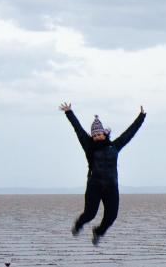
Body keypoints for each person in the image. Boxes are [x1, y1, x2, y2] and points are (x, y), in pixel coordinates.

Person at [59, 102, 146, 244]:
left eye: (100, 133)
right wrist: (69, 112)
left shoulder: (114, 146)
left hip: (111, 187)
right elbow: (78, 130)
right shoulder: (89, 147)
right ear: (92, 136)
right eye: (95, 135)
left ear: (105, 133)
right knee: (90, 214)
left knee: (111, 216)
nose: (98, 136)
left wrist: (141, 117)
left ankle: (98, 232)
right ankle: (79, 224)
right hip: (94, 186)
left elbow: (129, 134)